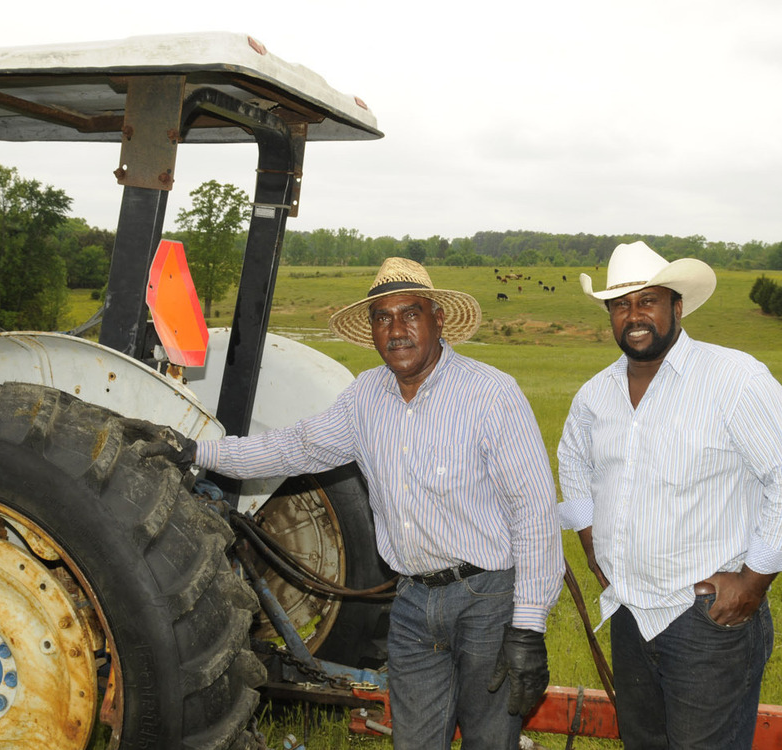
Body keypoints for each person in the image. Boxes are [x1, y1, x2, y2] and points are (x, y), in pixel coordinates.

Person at [154, 257, 563, 750]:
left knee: (489, 739)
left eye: (410, 313)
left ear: (436, 318)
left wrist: (527, 630)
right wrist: (198, 451)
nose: (397, 330)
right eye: (382, 318)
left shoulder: (491, 395)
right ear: (370, 330)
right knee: (413, 742)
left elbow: (534, 511)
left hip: (485, 598)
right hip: (412, 603)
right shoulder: (365, 397)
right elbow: (293, 446)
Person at [556, 241, 782, 750]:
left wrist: (753, 580)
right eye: (620, 305)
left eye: (647, 301)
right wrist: (593, 544)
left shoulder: (733, 379)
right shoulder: (596, 395)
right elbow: (573, 462)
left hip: (704, 619)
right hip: (630, 615)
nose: (634, 316)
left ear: (676, 306)